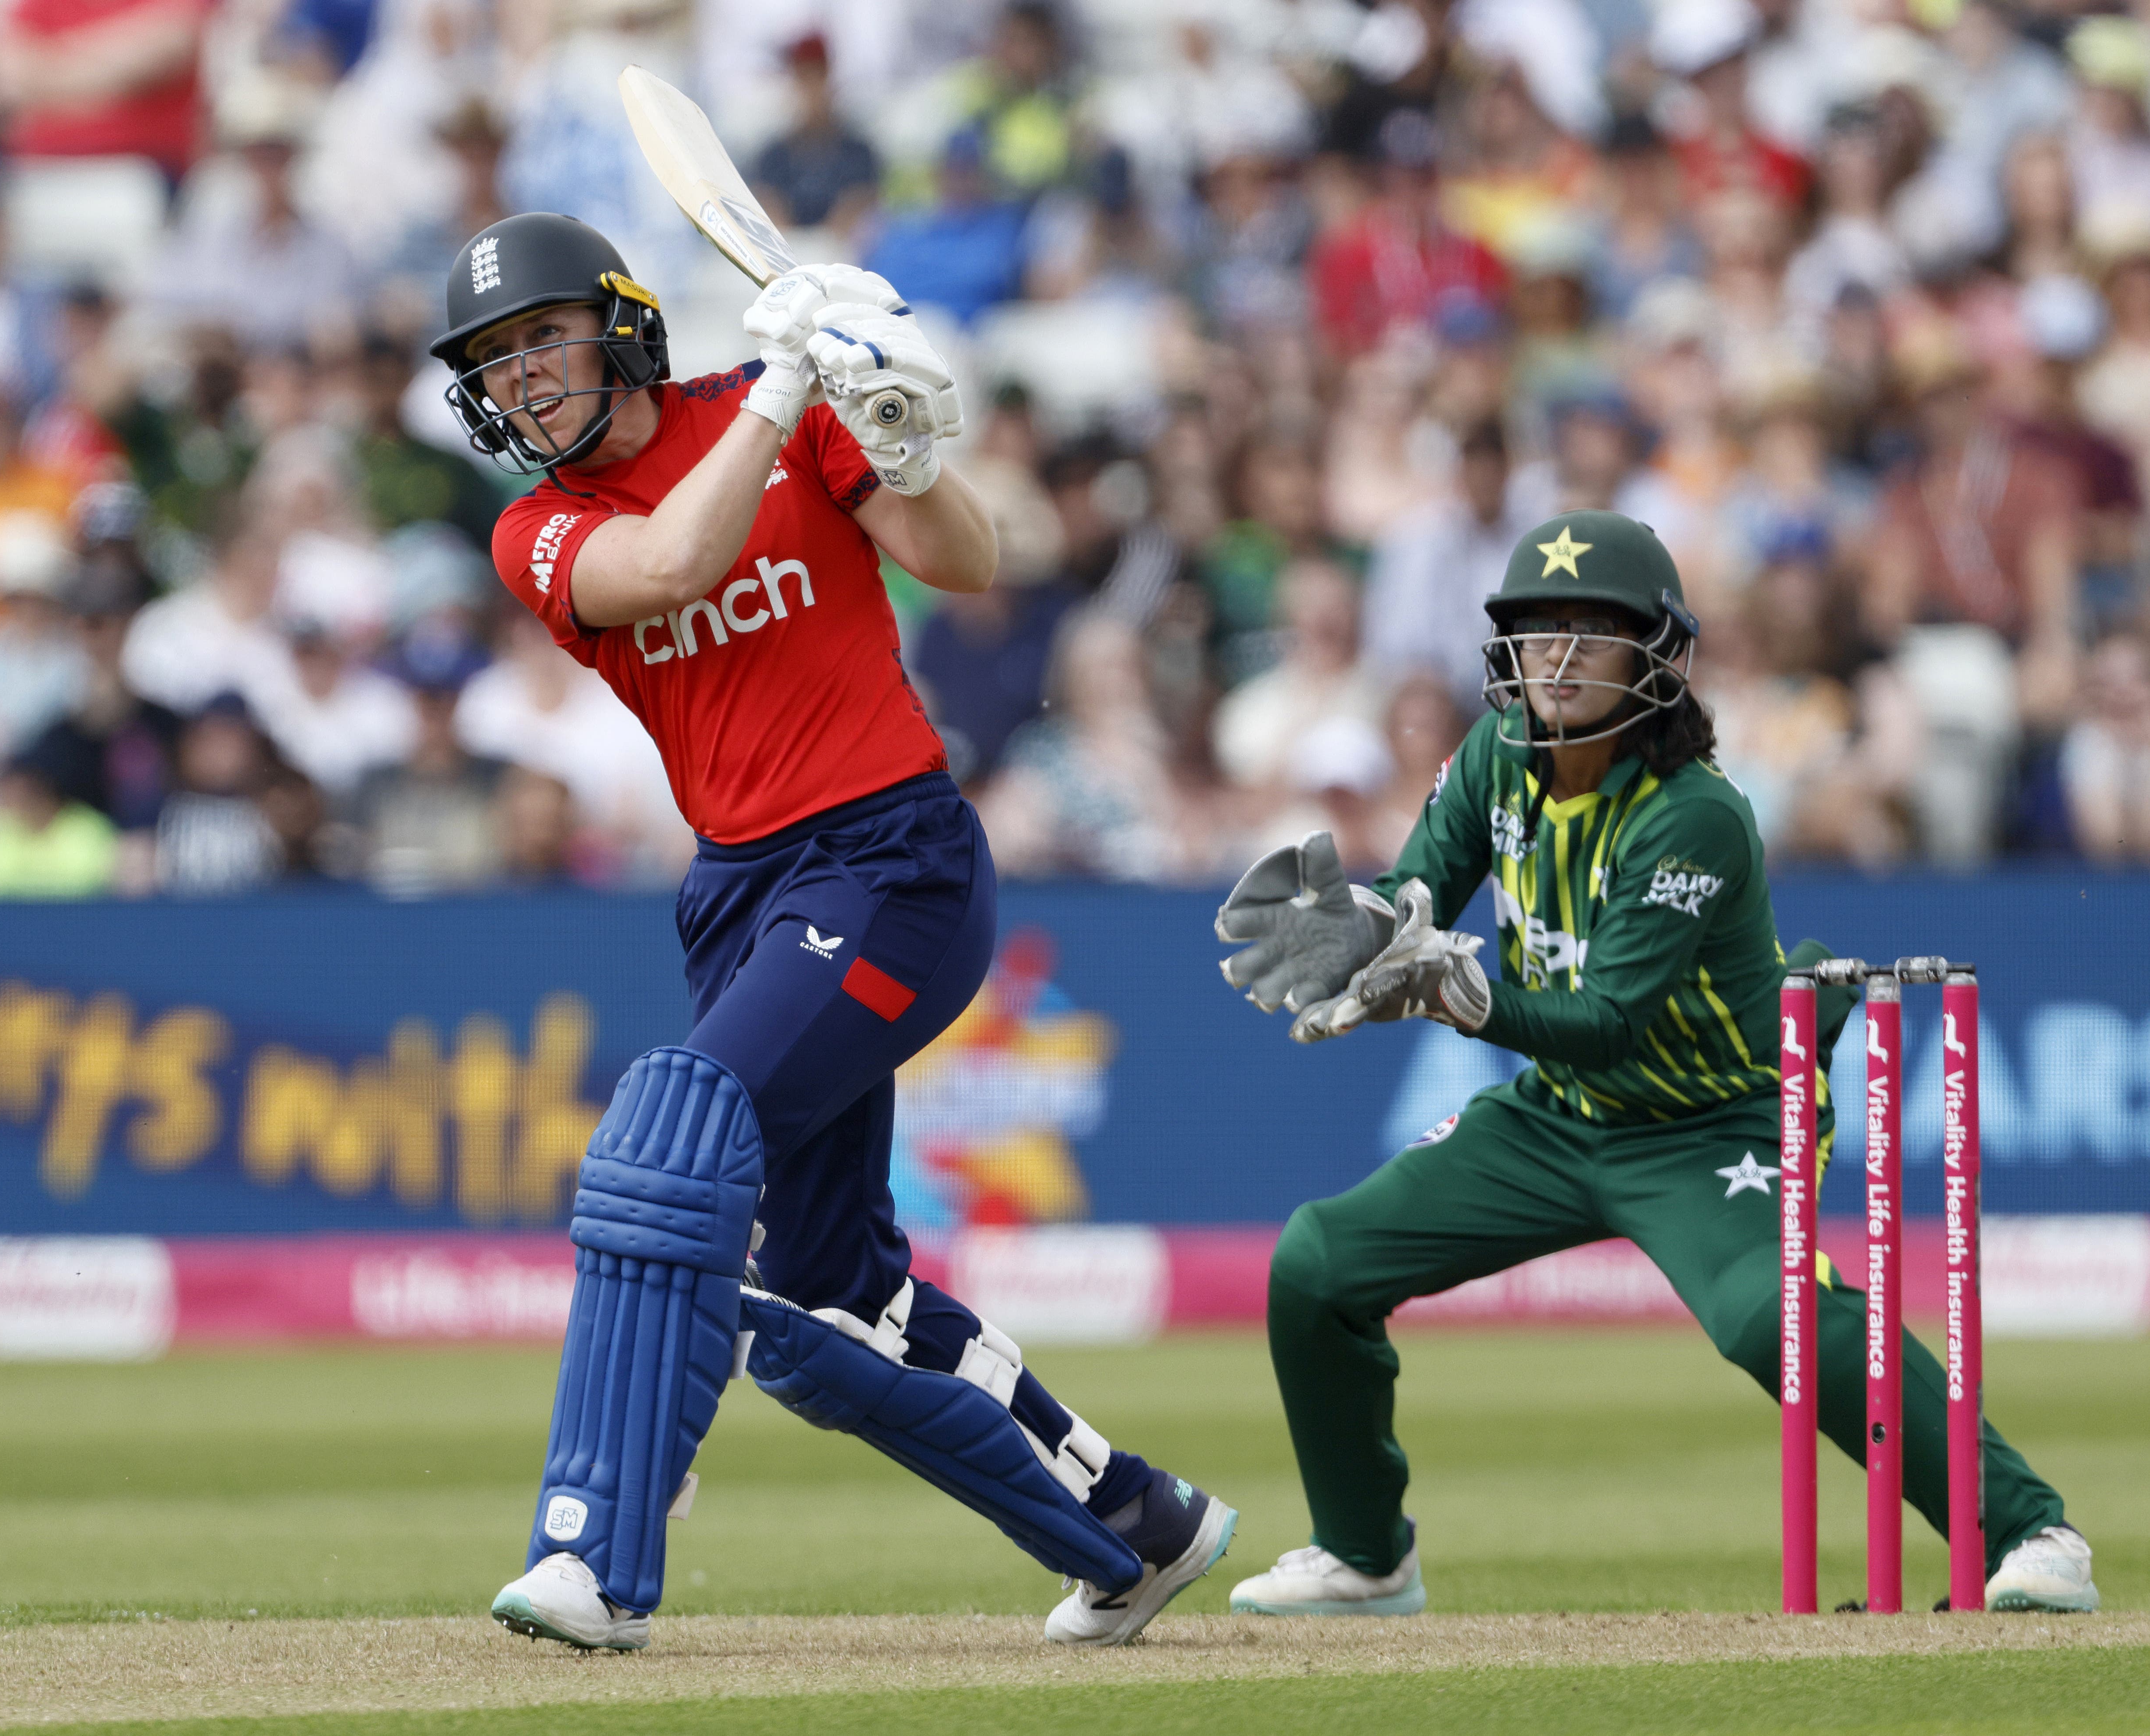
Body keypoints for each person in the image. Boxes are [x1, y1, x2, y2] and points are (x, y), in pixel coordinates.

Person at [432, 212, 1234, 1652]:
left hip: (890, 859)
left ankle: (596, 1555)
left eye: (537, 337)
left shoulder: (771, 413)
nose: (518, 379)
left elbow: (970, 559)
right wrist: (792, 387)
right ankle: (1129, 1521)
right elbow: (672, 566)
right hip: (744, 893)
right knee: (824, 1301)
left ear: (616, 324)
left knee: (669, 1135)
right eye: (491, 362)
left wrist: (900, 435)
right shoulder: (536, 528)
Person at [1210, 510, 2099, 1618]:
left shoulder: (1698, 817)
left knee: (1763, 1318)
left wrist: (1457, 994)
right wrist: (1370, 925)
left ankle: (2032, 1530)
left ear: (1659, 656)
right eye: (1538, 628)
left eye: (1594, 628)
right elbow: (1422, 886)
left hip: (1715, 1121)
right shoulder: (1495, 754)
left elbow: (1612, 1021)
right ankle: (1364, 1555)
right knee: (1316, 1262)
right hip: (1559, 1116)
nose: (1560, 654)